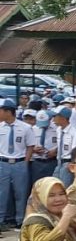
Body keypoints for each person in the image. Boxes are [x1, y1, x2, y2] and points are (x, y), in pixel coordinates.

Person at [0, 98, 33, 232]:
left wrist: (25, 161)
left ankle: (20, 220)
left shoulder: (25, 127)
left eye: (1, 110)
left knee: (21, 192)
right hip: (3, 162)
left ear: (8, 112)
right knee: (2, 193)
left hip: (19, 162)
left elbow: (30, 146)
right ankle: (1, 220)